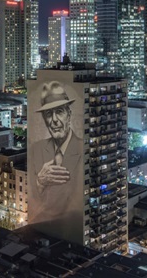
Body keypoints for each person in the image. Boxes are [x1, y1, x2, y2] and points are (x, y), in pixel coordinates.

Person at [29, 81, 83, 238]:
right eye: (48, 114)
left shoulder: (83, 147)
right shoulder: (36, 149)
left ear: (69, 114)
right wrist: (40, 182)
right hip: (44, 233)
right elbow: (33, 197)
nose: (54, 120)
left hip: (73, 233)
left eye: (59, 111)